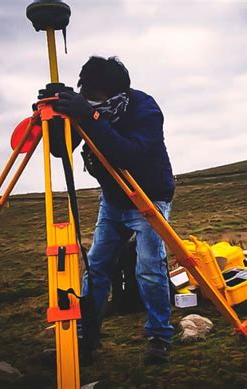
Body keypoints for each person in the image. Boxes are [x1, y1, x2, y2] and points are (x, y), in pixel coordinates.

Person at [53, 56, 175, 365]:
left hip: (150, 197)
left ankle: (159, 336)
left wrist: (91, 118)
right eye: (86, 95)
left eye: (94, 95)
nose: (90, 100)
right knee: (95, 266)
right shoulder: (92, 111)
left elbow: (128, 154)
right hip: (113, 201)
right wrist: (58, 119)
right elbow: (59, 149)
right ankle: (84, 337)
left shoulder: (145, 109)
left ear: (112, 92)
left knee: (148, 267)